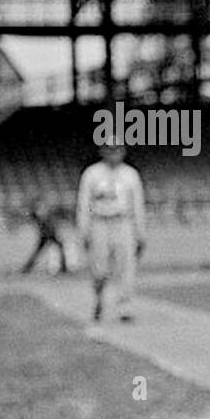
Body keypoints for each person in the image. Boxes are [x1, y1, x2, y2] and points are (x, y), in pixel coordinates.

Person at [76, 138, 146, 322]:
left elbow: (137, 205)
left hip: (123, 222)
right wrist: (84, 230)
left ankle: (125, 307)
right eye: (109, 149)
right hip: (100, 222)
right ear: (102, 151)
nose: (113, 153)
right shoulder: (92, 174)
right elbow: (85, 204)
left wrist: (140, 233)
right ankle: (99, 298)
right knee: (99, 267)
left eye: (117, 149)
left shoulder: (130, 175)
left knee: (126, 266)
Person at [19, 196, 69, 275]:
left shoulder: (39, 213)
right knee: (41, 251)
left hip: (48, 234)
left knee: (39, 251)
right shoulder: (40, 213)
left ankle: (27, 268)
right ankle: (64, 268)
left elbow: (46, 224)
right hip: (48, 234)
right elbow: (46, 225)